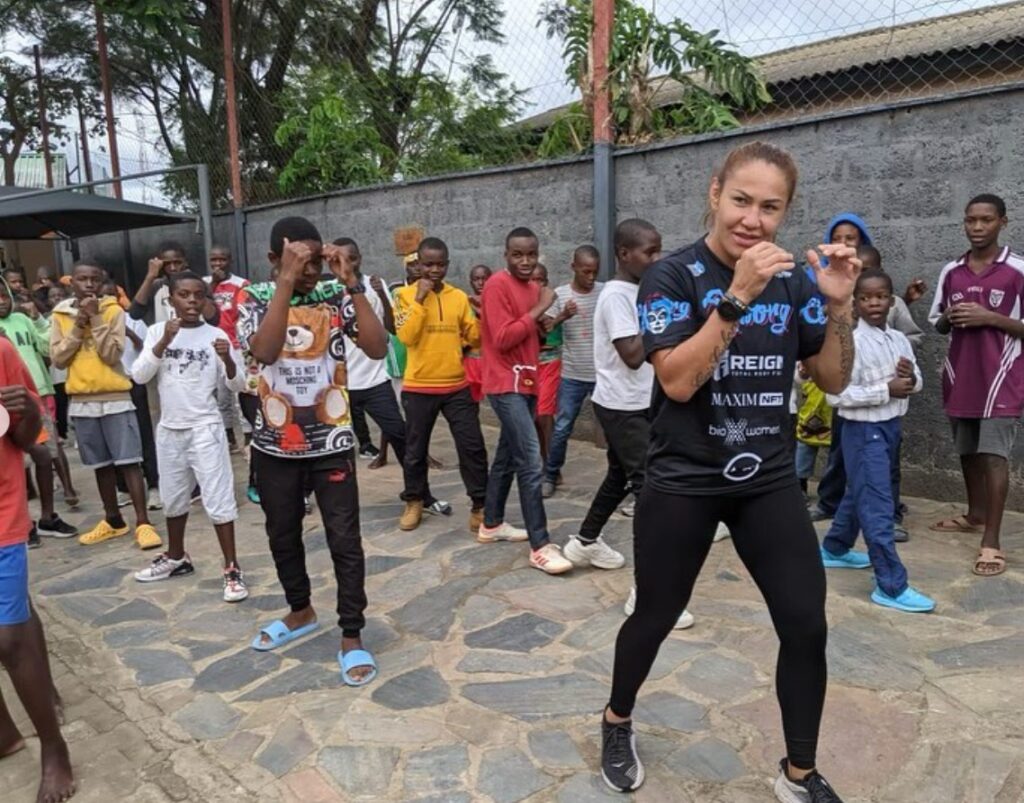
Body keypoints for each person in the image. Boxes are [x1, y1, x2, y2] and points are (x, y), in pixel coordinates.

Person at [600, 141, 857, 802]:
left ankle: (799, 772)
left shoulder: (796, 282)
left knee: (806, 621)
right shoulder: (672, 276)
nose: (753, 217)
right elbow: (678, 382)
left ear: (785, 212)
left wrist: (836, 305)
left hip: (766, 480)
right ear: (714, 192)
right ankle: (616, 717)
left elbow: (831, 377)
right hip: (684, 478)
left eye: (770, 207)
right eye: (742, 199)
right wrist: (737, 297)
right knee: (656, 613)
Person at [238, 216, 385, 686]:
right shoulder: (254, 298)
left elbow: (378, 348)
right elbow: (264, 350)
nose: (309, 270)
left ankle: (351, 634)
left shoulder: (337, 295)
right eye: (297, 259)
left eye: (313, 259)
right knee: (282, 534)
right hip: (275, 443)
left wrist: (352, 283)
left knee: (344, 539)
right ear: (274, 260)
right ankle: (300, 611)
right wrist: (285, 281)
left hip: (331, 440)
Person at [819, 269, 933, 612]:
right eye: (865, 297)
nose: (874, 303)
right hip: (862, 432)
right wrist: (885, 390)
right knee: (878, 506)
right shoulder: (850, 342)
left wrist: (909, 379)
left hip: (890, 428)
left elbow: (918, 382)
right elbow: (835, 397)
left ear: (891, 299)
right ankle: (891, 584)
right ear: (855, 302)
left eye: (881, 296)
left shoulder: (898, 339)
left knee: (861, 491)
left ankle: (836, 547)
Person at [132, 271, 248, 602]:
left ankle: (231, 567)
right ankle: (176, 556)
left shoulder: (216, 335)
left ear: (207, 300)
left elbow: (238, 385)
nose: (192, 301)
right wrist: (163, 342)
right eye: (184, 295)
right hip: (170, 429)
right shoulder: (158, 331)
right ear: (171, 300)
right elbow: (140, 375)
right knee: (173, 497)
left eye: (199, 295)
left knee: (218, 498)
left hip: (205, 428)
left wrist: (226, 358)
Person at [928, 194, 1024, 577]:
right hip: (960, 374)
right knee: (967, 450)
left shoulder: (1017, 269)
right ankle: (975, 514)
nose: (978, 228)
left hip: (1001, 378)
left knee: (993, 455)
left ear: (1002, 221)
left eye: (986, 220)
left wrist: (991, 317)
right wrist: (950, 317)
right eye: (971, 220)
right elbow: (937, 322)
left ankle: (992, 541)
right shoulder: (952, 271)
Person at [0, 347, 76, 803]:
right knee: (18, 615)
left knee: (7, 638)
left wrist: (28, 411)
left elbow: (31, 441)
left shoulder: (2, 351)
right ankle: (7, 730)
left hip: (3, 509)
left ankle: (54, 747)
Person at [50, 262, 163, 550]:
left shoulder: (113, 311)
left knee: (128, 462)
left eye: (94, 280)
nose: (88, 284)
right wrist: (78, 325)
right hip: (82, 400)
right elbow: (59, 358)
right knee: (100, 465)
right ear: (71, 282)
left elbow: (112, 353)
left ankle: (142, 522)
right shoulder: (61, 315)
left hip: (115, 398)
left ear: (101, 284)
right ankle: (113, 519)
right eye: (82, 279)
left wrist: (96, 318)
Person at [479, 227, 573, 574]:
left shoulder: (534, 288)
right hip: (504, 382)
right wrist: (541, 308)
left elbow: (536, 334)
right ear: (506, 255)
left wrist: (548, 317)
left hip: (528, 380)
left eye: (531, 254)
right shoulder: (496, 286)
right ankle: (540, 545)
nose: (525, 261)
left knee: (506, 458)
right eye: (518, 254)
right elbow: (503, 338)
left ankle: (491, 523)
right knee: (531, 461)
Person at [393, 237, 488, 533]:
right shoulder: (404, 295)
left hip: (456, 385)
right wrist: (419, 299)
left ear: (447, 264)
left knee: (472, 446)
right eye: (428, 264)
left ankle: (480, 505)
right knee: (415, 450)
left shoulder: (458, 297)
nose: (434, 270)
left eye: (440, 264)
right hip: (419, 386)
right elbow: (406, 337)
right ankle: (414, 500)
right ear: (418, 264)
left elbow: (474, 338)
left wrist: (481, 317)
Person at [0, 277, 79, 539]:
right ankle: (23, 522)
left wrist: (37, 320)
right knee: (14, 466)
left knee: (46, 455)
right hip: (6, 407)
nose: (1, 302)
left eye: (4, 295)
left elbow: (46, 348)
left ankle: (47, 517)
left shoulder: (22, 320)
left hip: (36, 396)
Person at [541, 245, 604, 497]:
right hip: (572, 376)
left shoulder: (605, 291)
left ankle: (629, 480)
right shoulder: (561, 294)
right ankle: (551, 474)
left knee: (617, 430)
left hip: (602, 376)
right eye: (586, 271)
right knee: (562, 428)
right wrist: (562, 317)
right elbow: (544, 329)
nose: (590, 277)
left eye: (594, 272)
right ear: (573, 268)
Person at [105, 276, 161, 512]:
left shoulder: (133, 319)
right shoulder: (95, 321)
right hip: (109, 386)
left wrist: (128, 332)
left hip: (133, 382)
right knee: (114, 439)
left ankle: (154, 485)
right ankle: (123, 487)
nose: (108, 301)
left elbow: (146, 349)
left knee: (143, 433)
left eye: (112, 296)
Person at [205, 245, 250, 453]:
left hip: (236, 345)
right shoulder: (204, 284)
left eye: (221, 260)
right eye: (213, 260)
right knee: (221, 396)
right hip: (213, 346)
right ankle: (229, 436)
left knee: (241, 392)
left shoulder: (241, 284)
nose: (217, 264)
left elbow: (245, 314)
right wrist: (214, 283)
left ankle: (249, 435)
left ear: (229, 260)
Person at [531, 264, 563, 464]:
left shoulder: (552, 302)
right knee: (535, 416)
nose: (536, 283)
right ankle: (542, 457)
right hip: (529, 365)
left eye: (540, 279)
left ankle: (551, 467)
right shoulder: (522, 302)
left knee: (544, 413)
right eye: (532, 279)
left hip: (550, 361)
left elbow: (550, 327)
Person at [463, 264, 492, 403]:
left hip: (492, 362)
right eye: (476, 279)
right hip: (470, 361)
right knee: (470, 403)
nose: (481, 283)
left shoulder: (497, 302)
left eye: (484, 278)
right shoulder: (464, 304)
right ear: (471, 282)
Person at [46, 285, 71, 443]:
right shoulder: (46, 319)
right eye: (53, 296)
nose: (57, 298)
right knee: (60, 402)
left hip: (71, 368)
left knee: (73, 400)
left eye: (60, 294)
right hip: (56, 370)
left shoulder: (72, 316)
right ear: (48, 300)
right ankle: (62, 432)